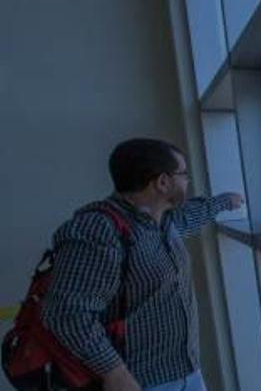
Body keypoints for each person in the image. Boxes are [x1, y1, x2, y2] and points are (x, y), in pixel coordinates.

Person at [42, 138, 244, 391]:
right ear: (162, 182)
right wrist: (116, 374)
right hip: (139, 382)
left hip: (186, 372)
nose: (187, 181)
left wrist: (225, 201)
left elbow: (191, 215)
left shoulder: (163, 221)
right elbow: (66, 312)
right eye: (183, 174)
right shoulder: (100, 230)